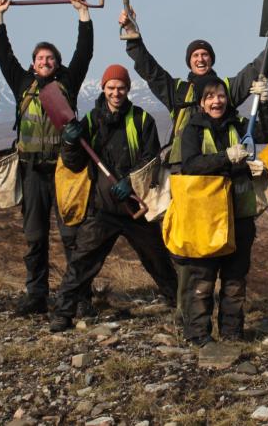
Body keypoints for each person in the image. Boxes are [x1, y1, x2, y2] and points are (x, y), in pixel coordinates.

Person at [49, 64, 175, 332]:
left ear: (127, 89)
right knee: (81, 262)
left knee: (158, 260)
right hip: (102, 209)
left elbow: (150, 158)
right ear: (103, 88)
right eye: (111, 87)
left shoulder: (142, 120)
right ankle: (62, 313)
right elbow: (74, 163)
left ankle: (181, 305)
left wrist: (129, 181)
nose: (116, 92)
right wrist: (70, 143)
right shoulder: (90, 121)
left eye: (121, 87)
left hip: (135, 208)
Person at [0, 0, 94, 317]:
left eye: (50, 58)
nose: (45, 62)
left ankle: (79, 296)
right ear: (33, 63)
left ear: (57, 63)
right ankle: (36, 295)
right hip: (32, 172)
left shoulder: (68, 82)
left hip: (65, 170)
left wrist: (83, 14)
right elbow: (3, 56)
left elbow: (84, 53)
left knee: (71, 236)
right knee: (35, 238)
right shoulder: (22, 83)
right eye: (40, 58)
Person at [118, 8, 268, 165]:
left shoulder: (227, 88)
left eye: (205, 54)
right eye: (195, 55)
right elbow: (150, 70)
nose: (200, 59)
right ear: (189, 62)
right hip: (184, 173)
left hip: (225, 170)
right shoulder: (178, 90)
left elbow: (257, 69)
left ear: (211, 59)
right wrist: (132, 35)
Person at [175, 75, 268, 345]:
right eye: (210, 97)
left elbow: (267, 134)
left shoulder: (239, 124)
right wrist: (226, 157)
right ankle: (198, 335)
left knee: (235, 278)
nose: (216, 101)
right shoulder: (193, 130)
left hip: (239, 213)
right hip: (206, 217)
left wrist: (264, 104)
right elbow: (190, 165)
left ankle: (232, 334)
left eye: (220, 95)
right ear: (201, 103)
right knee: (203, 278)